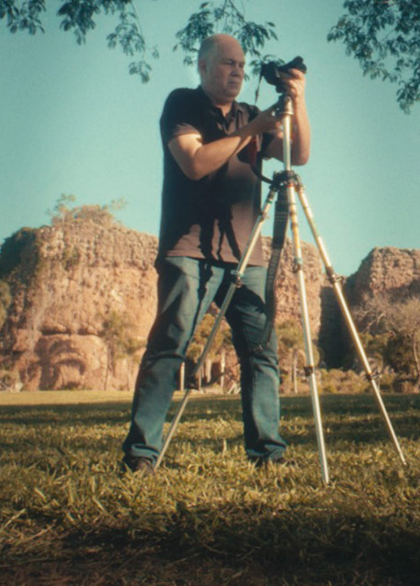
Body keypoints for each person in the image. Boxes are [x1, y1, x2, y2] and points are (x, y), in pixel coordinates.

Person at [120, 33, 310, 473]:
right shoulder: (183, 104)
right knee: (169, 348)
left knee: (261, 354)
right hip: (188, 251)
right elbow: (195, 163)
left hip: (248, 254)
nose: (237, 72)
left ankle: (268, 454)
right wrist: (252, 132)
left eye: (242, 66)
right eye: (227, 64)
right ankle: (141, 456)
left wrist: (298, 101)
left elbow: (298, 155)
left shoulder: (250, 115)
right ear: (203, 66)